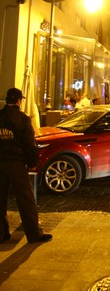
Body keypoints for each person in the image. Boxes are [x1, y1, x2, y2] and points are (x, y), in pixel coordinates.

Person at [0, 88, 52, 244]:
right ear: (18, 101)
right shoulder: (23, 119)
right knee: (26, 199)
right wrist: (32, 163)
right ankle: (33, 234)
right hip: (16, 163)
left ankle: (1, 234)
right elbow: (30, 144)